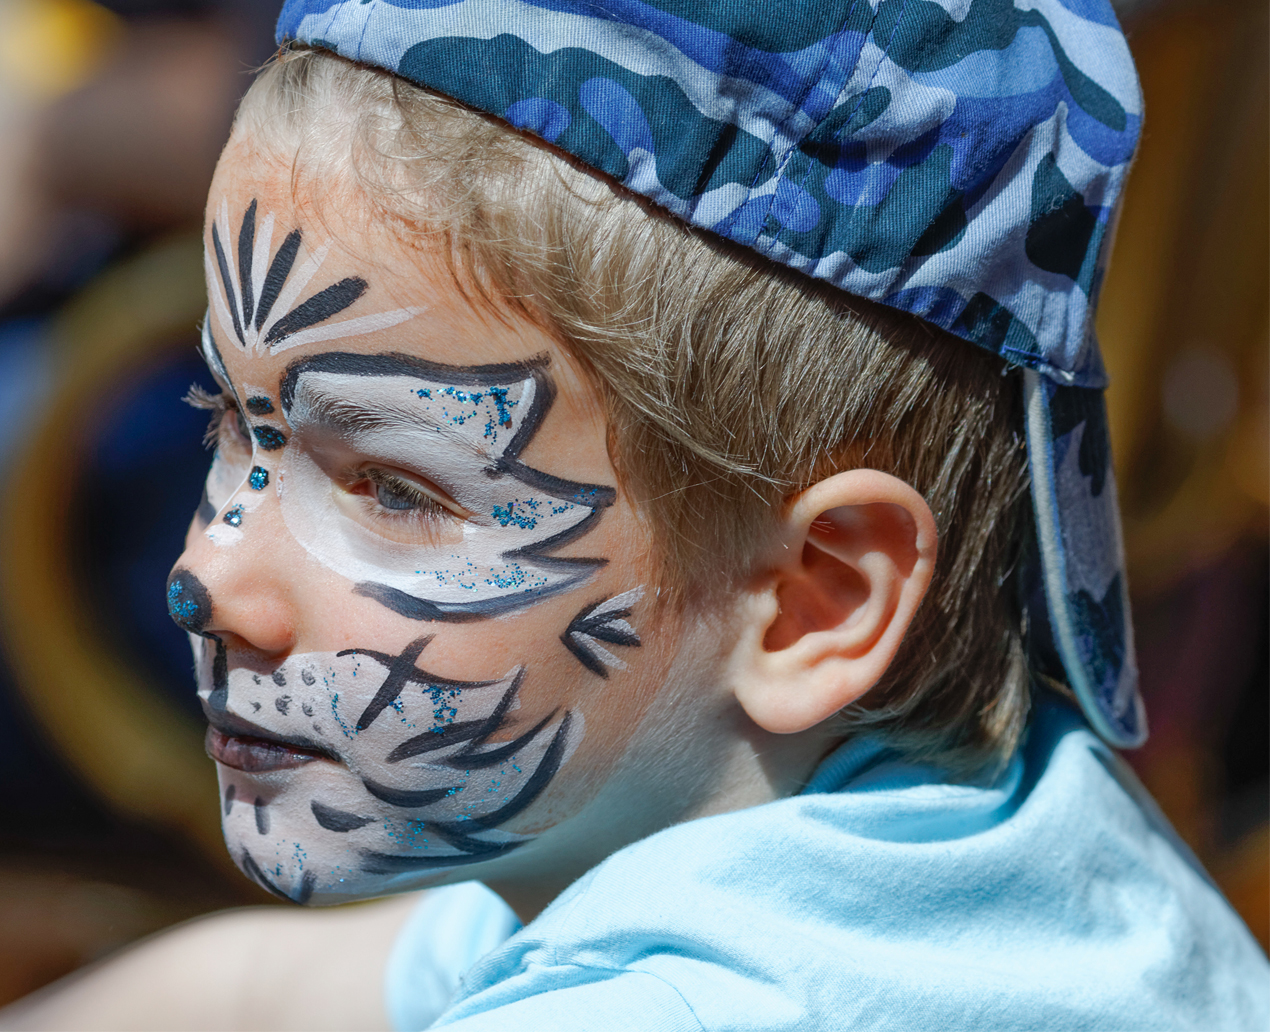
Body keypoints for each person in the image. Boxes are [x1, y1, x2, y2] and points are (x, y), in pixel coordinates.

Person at [5, 1, 1268, 1029]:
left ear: (813, 597)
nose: (204, 572)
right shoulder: (969, 847)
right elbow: (251, 992)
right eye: (225, 416)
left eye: (394, 487)